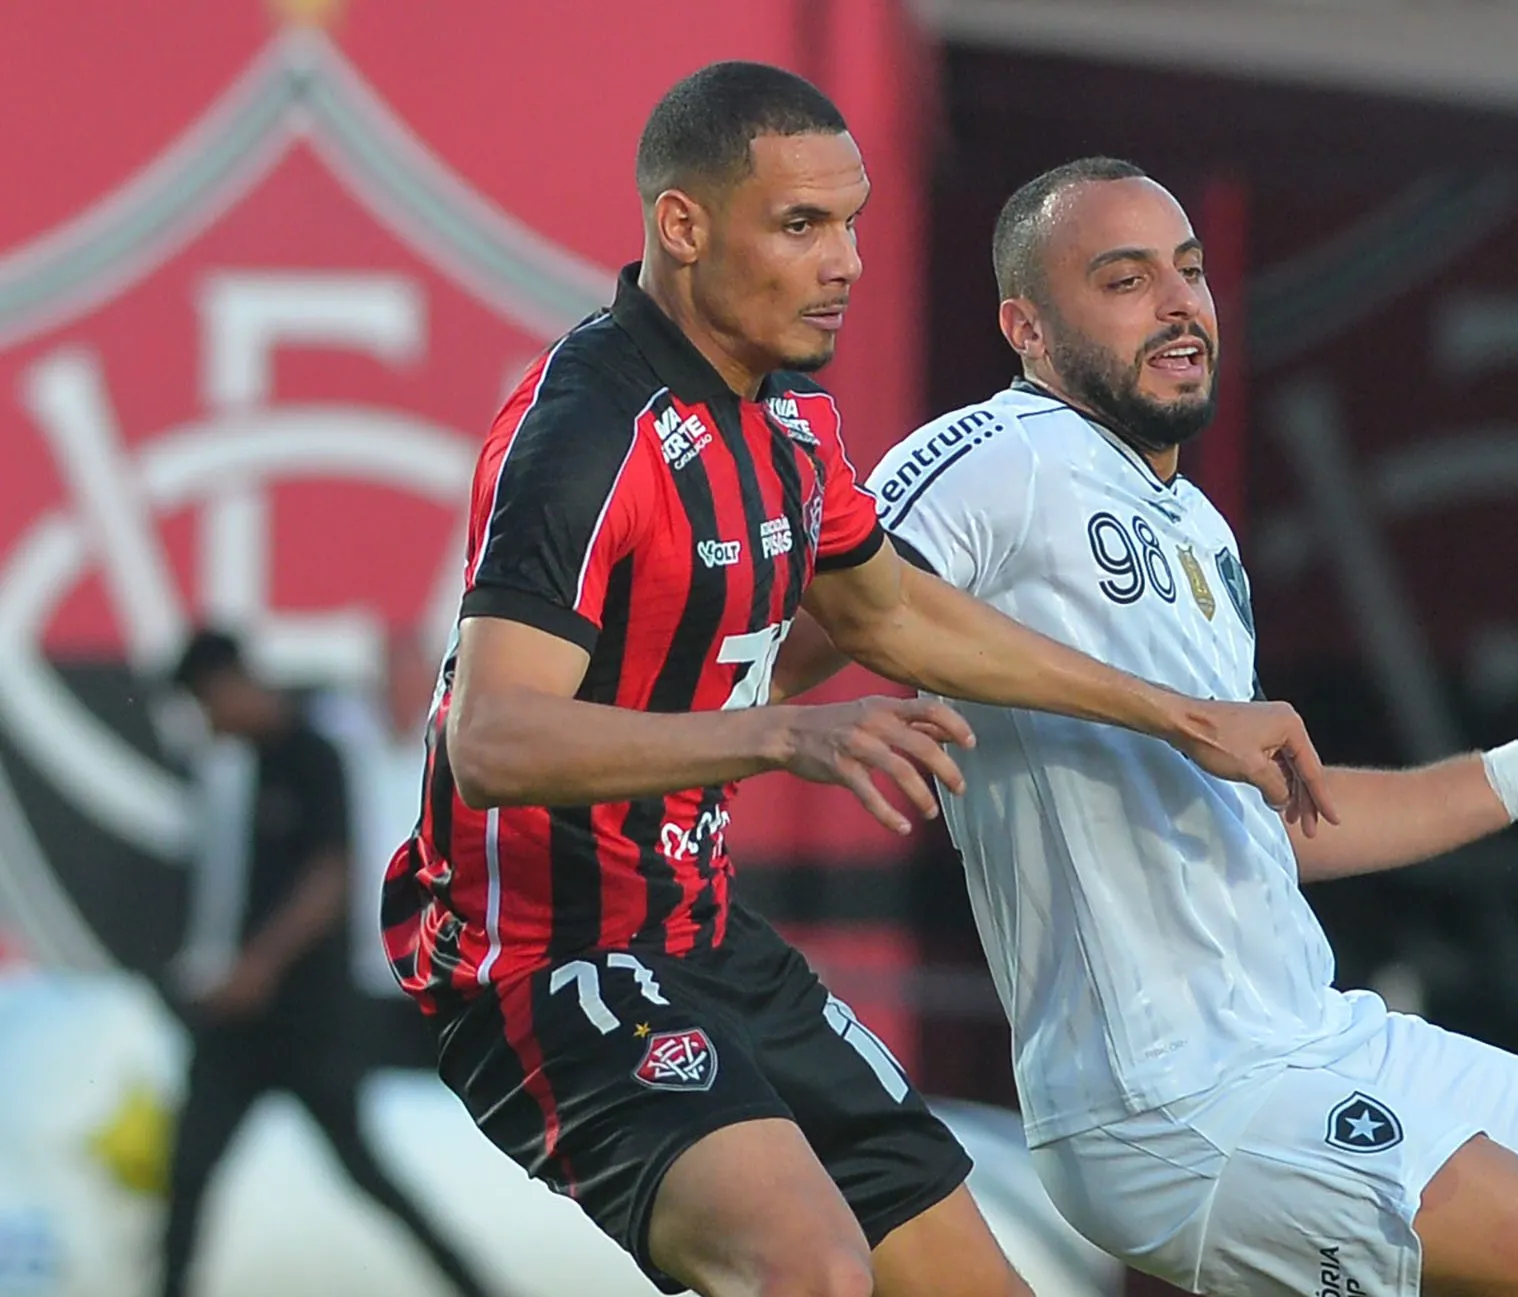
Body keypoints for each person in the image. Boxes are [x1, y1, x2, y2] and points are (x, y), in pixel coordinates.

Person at [379, 69, 1333, 1297]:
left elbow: (891, 611)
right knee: (810, 1271)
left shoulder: (791, 422)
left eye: (850, 222)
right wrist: (787, 736)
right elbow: (495, 742)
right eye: (800, 226)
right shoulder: (584, 434)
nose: (846, 263)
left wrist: (1186, 718)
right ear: (683, 226)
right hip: (545, 959)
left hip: (705, 934)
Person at [775, 157, 1518, 1297]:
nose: (1178, 304)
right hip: (1167, 1093)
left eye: (1188, 272)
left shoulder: (1200, 530)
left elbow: (1275, 825)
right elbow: (812, 630)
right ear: (1025, 327)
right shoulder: (999, 456)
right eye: (1125, 280)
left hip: (1310, 1033)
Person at [163, 629, 491, 1297]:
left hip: (309, 1016)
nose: (207, 723)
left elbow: (330, 876)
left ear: (228, 686)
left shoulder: (314, 754)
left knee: (367, 1173)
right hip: (244, 1023)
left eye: (205, 705)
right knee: (190, 1169)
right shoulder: (244, 766)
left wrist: (258, 964)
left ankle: (478, 1286)